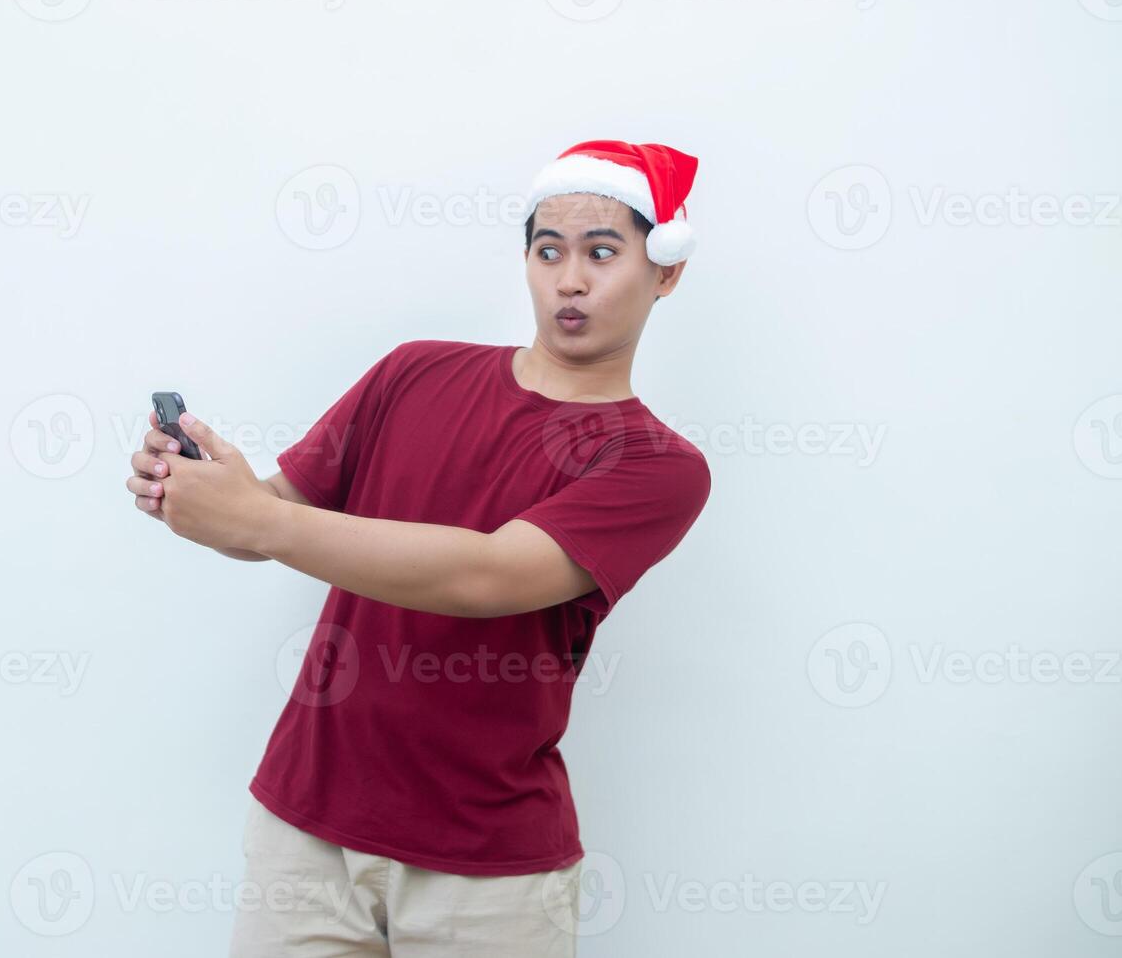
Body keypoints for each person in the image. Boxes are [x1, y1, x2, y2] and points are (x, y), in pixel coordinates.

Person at [127, 139, 712, 956]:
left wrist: (255, 520)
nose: (569, 280)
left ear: (666, 271)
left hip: (488, 868)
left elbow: (487, 575)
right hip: (305, 830)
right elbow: (276, 516)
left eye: (601, 253)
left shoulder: (656, 465)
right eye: (548, 252)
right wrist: (203, 493)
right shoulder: (414, 373)